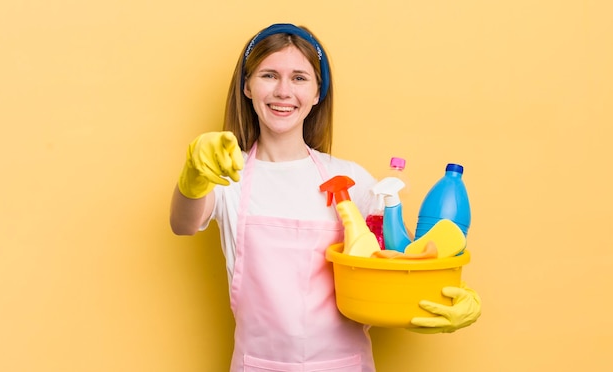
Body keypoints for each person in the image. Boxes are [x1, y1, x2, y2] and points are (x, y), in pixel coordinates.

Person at [170, 23, 481, 372]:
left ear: (318, 93)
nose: (283, 91)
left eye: (300, 78)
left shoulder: (355, 182)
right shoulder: (228, 176)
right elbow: (183, 224)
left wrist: (445, 295)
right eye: (269, 75)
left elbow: (400, 264)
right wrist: (193, 175)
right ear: (247, 86)